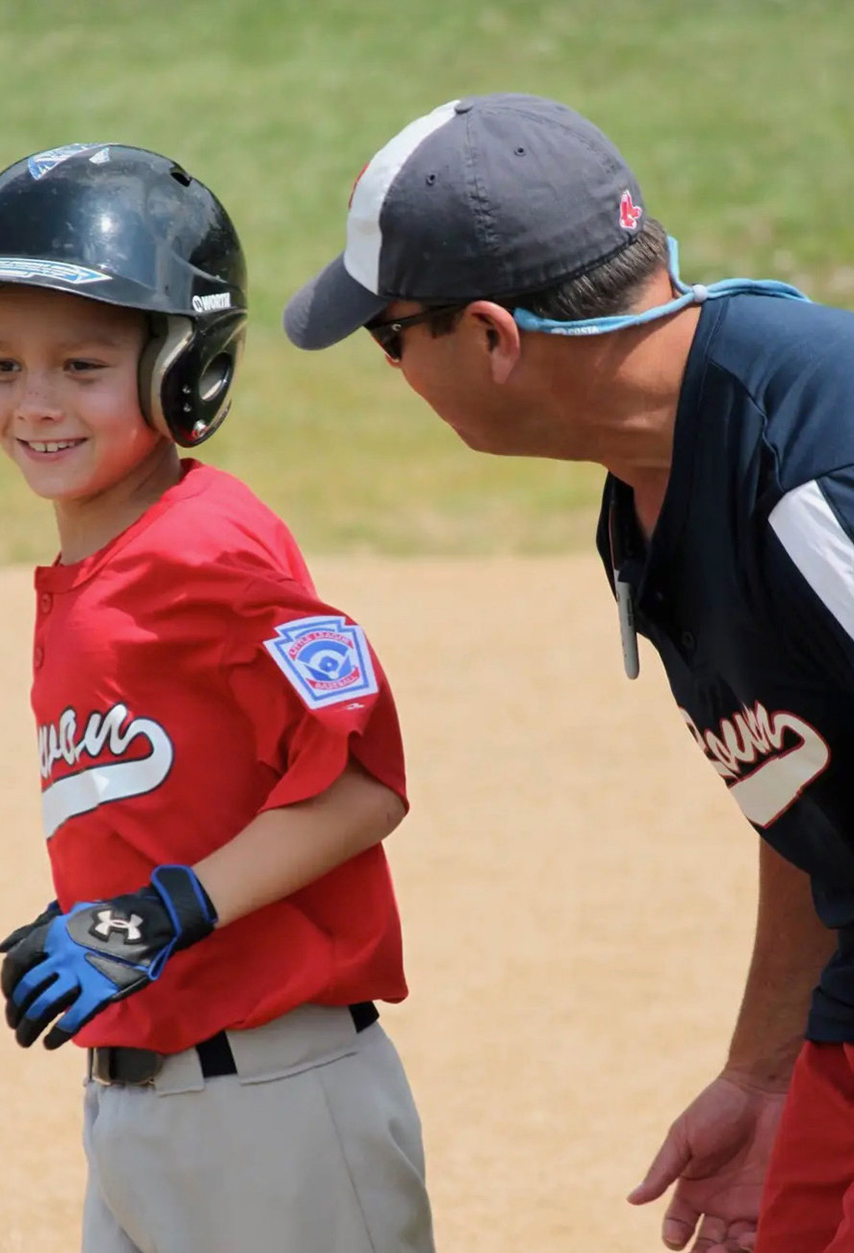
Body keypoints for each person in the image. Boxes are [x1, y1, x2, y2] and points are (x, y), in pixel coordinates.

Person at [282, 93, 854, 1253]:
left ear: (492, 335)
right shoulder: (655, 474)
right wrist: (763, 1069)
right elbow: (809, 782)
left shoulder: (811, 480)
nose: (391, 369)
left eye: (391, 335)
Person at [0, 142, 435, 1253]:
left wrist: (162, 910)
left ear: (180, 369)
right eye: (2, 365)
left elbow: (361, 783)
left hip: (274, 1111)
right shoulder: (100, 563)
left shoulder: (210, 550)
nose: (33, 401)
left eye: (82, 366)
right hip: (142, 1107)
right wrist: (100, 905)